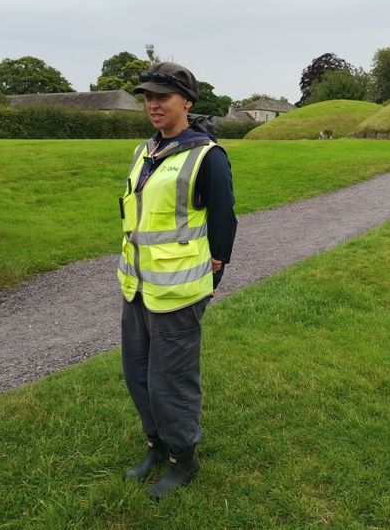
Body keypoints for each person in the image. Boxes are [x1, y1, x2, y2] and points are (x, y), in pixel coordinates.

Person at [116, 62, 237, 500]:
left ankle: (182, 460)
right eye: (147, 97)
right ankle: (156, 445)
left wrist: (211, 277)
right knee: (138, 373)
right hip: (137, 287)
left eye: (162, 97)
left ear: (186, 102)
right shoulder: (144, 152)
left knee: (171, 378)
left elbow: (224, 223)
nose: (153, 104)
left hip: (178, 293)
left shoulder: (207, 155)